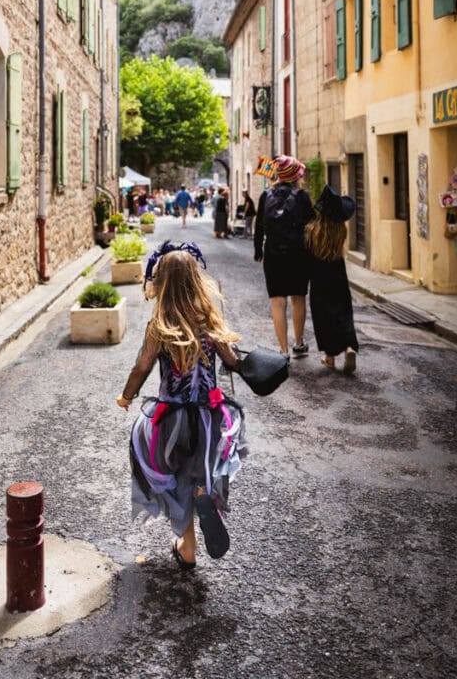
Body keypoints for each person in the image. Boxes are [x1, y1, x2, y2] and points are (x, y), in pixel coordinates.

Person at [116, 242, 246, 567]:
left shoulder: (160, 327)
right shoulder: (210, 323)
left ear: (163, 285)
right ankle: (205, 497)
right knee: (202, 472)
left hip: (170, 418)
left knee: (173, 480)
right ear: (195, 280)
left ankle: (187, 547)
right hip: (208, 416)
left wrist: (127, 396)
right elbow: (232, 362)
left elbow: (142, 367)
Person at [254, 156, 313, 357]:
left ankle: (283, 351)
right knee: (298, 298)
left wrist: (258, 250)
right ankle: (298, 342)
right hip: (298, 254)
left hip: (273, 254)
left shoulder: (265, 195)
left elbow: (259, 226)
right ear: (296, 176)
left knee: (277, 301)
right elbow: (312, 227)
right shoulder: (302, 196)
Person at [305, 185, 359, 374]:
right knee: (343, 313)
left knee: (323, 317)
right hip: (338, 276)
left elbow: (306, 256)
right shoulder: (340, 230)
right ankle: (349, 347)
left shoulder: (311, 230)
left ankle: (329, 357)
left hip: (319, 278)